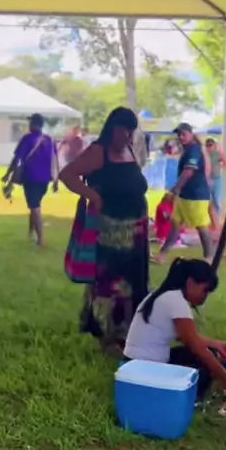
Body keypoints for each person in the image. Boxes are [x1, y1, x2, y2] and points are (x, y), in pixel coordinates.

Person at [59, 107, 149, 353]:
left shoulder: (130, 150)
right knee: (110, 284)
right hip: (110, 232)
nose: (127, 136)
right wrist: (93, 196)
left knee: (134, 282)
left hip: (136, 231)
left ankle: (128, 333)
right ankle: (107, 336)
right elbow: (67, 175)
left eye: (131, 131)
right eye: (123, 130)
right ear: (112, 129)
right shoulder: (98, 152)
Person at [125, 258, 226, 404]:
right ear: (190, 282)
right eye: (205, 290)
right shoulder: (176, 302)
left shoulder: (163, 294)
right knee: (204, 362)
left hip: (134, 364)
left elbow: (186, 336)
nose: (205, 297)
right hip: (146, 371)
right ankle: (191, 400)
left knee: (207, 353)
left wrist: (216, 344)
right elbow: (198, 348)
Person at [154, 123, 212, 264]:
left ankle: (209, 257)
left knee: (201, 226)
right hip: (184, 195)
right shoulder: (188, 150)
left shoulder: (194, 150)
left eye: (184, 134)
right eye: (179, 134)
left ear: (191, 134)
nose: (181, 137)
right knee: (176, 225)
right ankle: (162, 254)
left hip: (196, 196)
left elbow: (188, 172)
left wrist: (175, 189)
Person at [2, 113, 59, 248]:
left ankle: (41, 239)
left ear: (33, 124)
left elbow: (17, 159)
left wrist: (8, 174)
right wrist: (56, 180)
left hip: (31, 176)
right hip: (46, 178)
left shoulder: (27, 139)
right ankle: (31, 233)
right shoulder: (50, 140)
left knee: (34, 206)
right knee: (35, 204)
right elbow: (55, 161)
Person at [205, 138, 226, 233]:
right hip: (207, 180)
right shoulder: (205, 155)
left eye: (210, 145)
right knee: (207, 201)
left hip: (217, 179)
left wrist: (221, 158)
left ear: (214, 146)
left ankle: (216, 222)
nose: (209, 147)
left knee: (216, 200)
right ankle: (212, 221)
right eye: (207, 145)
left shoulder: (218, 154)